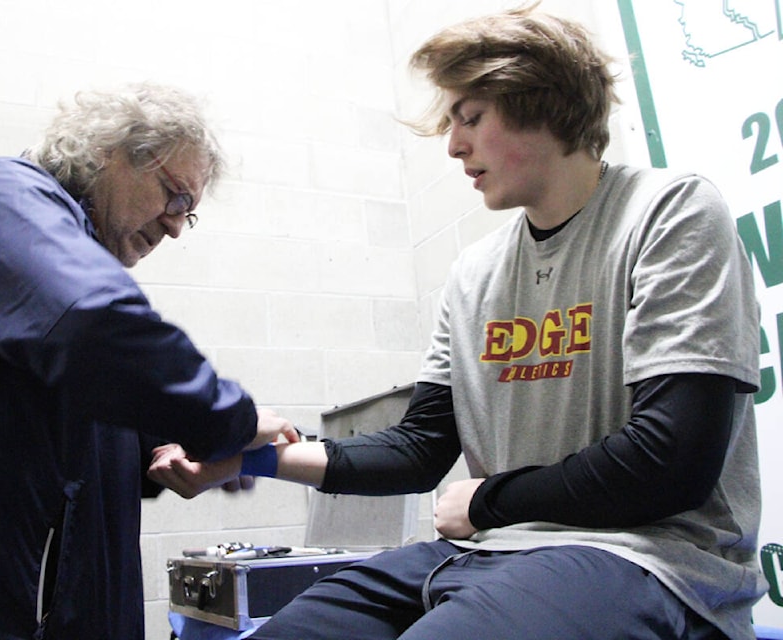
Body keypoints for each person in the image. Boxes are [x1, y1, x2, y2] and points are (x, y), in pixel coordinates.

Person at [148, 6, 767, 639]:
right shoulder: (475, 271)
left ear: (547, 105)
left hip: (646, 559)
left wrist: (489, 500)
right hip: (487, 549)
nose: (453, 145)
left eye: (471, 118)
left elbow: (670, 461)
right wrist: (245, 463)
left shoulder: (671, 213)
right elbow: (420, 450)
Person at [0, 82, 296, 640]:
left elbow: (70, 424)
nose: (174, 225)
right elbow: (91, 327)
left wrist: (166, 449)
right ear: (107, 151)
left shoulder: (54, 276)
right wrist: (228, 421)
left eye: (186, 215)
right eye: (174, 197)